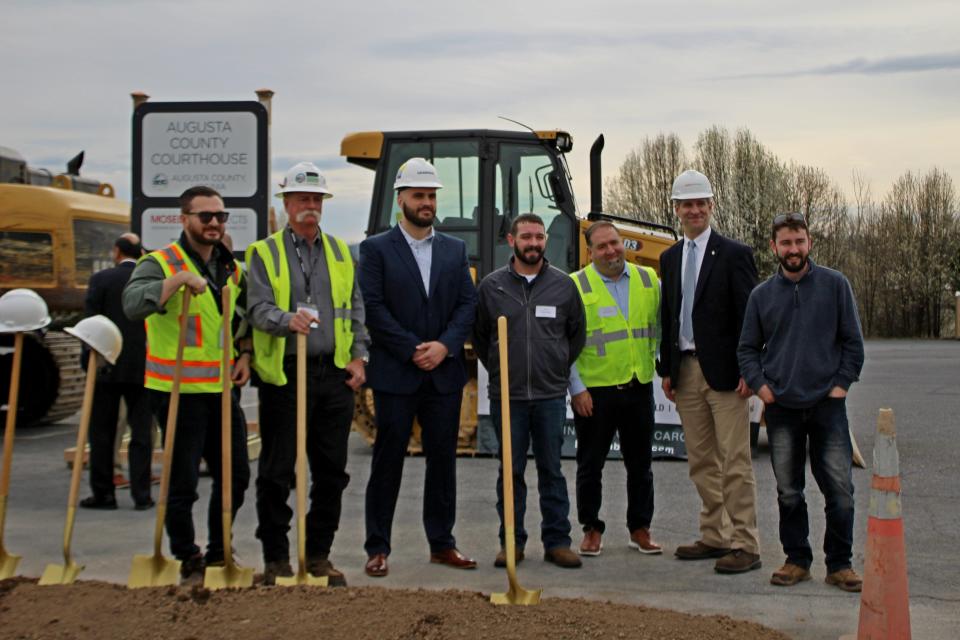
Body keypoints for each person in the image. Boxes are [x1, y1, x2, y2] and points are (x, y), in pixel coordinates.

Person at [246, 162, 368, 586]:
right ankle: (276, 559)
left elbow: (354, 310)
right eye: (302, 199)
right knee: (278, 470)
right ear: (286, 202)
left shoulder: (340, 253)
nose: (310, 206)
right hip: (284, 376)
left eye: (316, 199)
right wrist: (285, 320)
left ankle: (318, 555)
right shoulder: (263, 253)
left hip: (333, 377)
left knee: (331, 471)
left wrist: (359, 357)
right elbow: (257, 309)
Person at [122, 185, 251, 584]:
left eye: (220, 216)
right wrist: (177, 281)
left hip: (220, 389)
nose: (214, 223)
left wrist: (244, 354)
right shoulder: (160, 262)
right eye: (205, 216)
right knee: (183, 482)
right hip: (177, 392)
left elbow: (241, 319)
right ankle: (187, 555)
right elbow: (132, 304)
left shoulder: (231, 267)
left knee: (236, 474)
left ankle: (218, 550)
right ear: (185, 219)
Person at [359, 157, 478, 578]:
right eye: (419, 195)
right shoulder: (376, 250)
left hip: (442, 375)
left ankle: (441, 543)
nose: (426, 202)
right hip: (396, 374)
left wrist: (445, 347)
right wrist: (413, 349)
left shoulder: (453, 249)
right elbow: (373, 308)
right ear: (401, 199)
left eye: (431, 196)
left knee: (443, 462)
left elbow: (468, 303)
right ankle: (377, 547)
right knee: (388, 460)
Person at [738, 212, 865, 592]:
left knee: (840, 490)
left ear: (809, 243)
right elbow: (747, 349)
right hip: (782, 408)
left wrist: (841, 384)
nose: (793, 250)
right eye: (786, 243)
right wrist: (762, 388)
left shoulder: (835, 285)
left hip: (828, 405)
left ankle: (839, 564)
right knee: (789, 490)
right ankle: (797, 560)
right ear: (774, 247)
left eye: (799, 241)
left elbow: (853, 343)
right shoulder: (761, 296)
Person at [657, 170, 761, 574]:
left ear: (711, 206)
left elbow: (751, 317)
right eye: (687, 204)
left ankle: (745, 543)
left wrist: (751, 368)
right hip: (685, 372)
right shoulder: (669, 258)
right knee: (701, 461)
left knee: (735, 460)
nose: (694, 210)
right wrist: (667, 369)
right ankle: (715, 535)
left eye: (701, 203)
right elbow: (670, 316)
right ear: (677, 209)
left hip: (725, 374)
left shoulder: (734, 255)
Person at [474, 213, 585, 569]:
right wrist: (501, 370)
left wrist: (554, 365)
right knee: (511, 472)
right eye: (527, 236)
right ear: (512, 240)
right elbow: (480, 338)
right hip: (508, 397)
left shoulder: (564, 286)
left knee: (552, 470)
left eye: (539, 236)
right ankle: (512, 543)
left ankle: (557, 542)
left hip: (551, 396)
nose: (534, 243)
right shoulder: (492, 287)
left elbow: (576, 336)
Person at [569, 221, 662, 558]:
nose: (611, 251)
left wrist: (665, 368)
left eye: (615, 243)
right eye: (602, 247)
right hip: (595, 392)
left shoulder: (648, 279)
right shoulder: (575, 286)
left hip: (638, 386)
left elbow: (661, 327)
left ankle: (640, 528)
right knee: (590, 464)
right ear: (590, 252)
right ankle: (591, 529)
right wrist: (576, 388)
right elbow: (565, 344)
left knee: (640, 464)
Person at [79, 234, 154, 511]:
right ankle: (142, 494)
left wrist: (87, 362)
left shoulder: (101, 280)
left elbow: (90, 324)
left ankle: (104, 494)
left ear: (117, 251)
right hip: (143, 367)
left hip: (105, 364)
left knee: (102, 433)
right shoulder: (148, 280)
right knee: (142, 434)